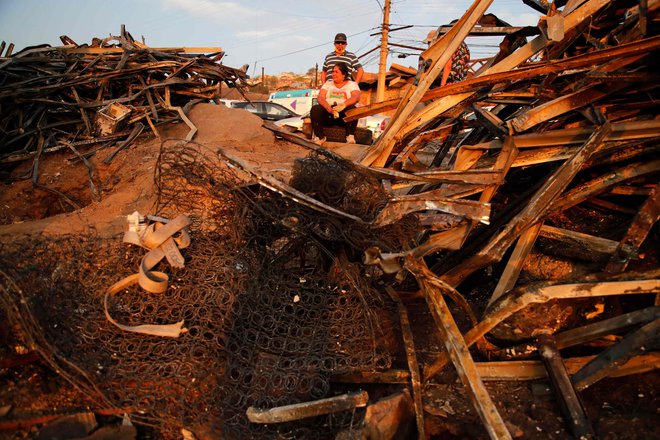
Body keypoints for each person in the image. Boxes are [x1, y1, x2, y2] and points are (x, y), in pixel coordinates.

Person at [311, 62, 361, 145]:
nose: (333, 74)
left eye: (336, 72)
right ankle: (320, 137)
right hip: (329, 114)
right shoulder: (328, 84)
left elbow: (356, 97)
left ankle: (350, 136)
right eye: (332, 72)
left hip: (343, 116)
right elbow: (320, 97)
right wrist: (329, 108)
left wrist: (343, 105)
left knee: (353, 109)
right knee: (315, 109)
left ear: (343, 74)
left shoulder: (352, 84)